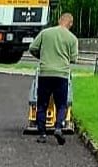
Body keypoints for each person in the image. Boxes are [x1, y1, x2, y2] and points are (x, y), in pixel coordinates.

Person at [29, 13, 78, 145]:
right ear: (71, 24)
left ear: (59, 20)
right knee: (61, 105)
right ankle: (58, 127)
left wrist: (42, 57)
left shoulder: (45, 33)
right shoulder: (72, 39)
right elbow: (73, 59)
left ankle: (42, 134)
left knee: (42, 104)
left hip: (45, 73)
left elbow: (32, 48)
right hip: (61, 74)